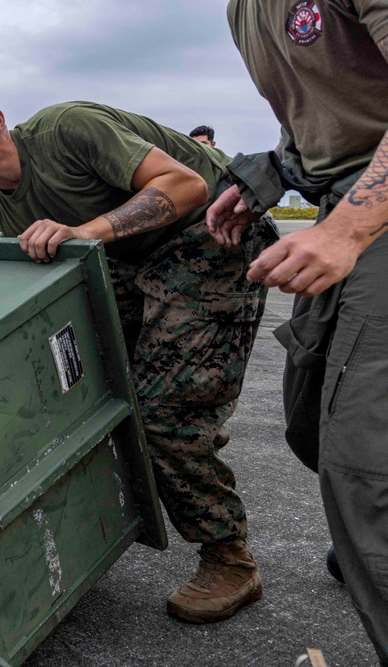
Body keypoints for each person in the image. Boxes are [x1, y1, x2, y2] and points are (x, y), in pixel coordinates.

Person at [0, 75, 278, 624]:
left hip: (211, 236)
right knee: (100, 385)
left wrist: (82, 231)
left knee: (162, 417)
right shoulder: (4, 214)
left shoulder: (66, 129)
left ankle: (230, 560)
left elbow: (186, 187)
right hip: (137, 263)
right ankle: (191, 426)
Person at [211, 2, 388, 661]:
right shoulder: (243, 9)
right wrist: (272, 171)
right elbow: (322, 117)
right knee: (309, 420)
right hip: (346, 199)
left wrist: (346, 230)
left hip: (371, 213)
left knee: (364, 464)